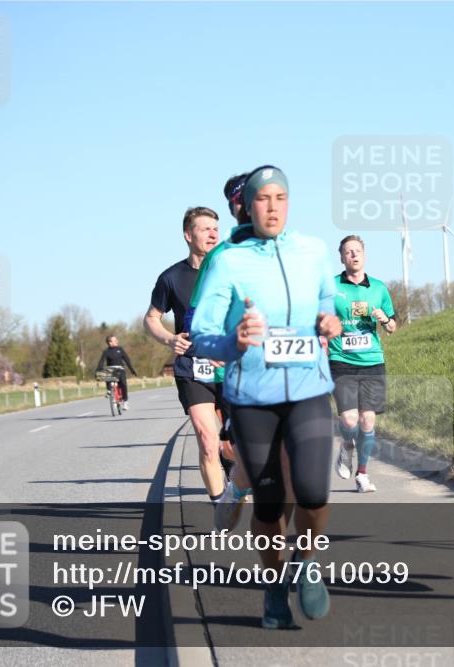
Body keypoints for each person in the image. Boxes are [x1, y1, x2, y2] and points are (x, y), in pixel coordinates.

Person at [190, 165, 343, 629]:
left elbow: (327, 299)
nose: (272, 206)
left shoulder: (313, 251)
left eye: (280, 197)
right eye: (263, 198)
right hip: (252, 397)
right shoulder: (228, 261)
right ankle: (274, 587)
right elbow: (201, 333)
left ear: (289, 203)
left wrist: (329, 321)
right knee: (271, 505)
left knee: (314, 493)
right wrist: (232, 341)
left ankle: (307, 563)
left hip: (309, 389)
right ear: (247, 205)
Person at [143, 205, 252, 530]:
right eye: (205, 229)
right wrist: (168, 339)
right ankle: (220, 506)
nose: (213, 234)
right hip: (193, 368)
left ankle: (236, 484)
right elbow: (150, 319)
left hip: (232, 369)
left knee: (236, 448)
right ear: (188, 235)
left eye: (216, 229)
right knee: (207, 438)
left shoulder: (234, 271)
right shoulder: (171, 278)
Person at [328, 235, 396, 492]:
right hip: (341, 360)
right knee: (349, 420)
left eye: (357, 251)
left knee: (368, 421)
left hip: (372, 361)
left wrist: (384, 320)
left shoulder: (378, 288)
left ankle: (363, 474)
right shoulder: (331, 286)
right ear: (342, 257)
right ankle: (346, 445)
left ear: (364, 255)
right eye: (348, 252)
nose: (354, 255)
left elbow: (392, 326)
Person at [95, 335, 137, 410]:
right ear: (110, 343)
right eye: (115, 340)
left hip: (120, 368)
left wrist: (132, 370)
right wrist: (98, 370)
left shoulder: (120, 349)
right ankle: (109, 391)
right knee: (105, 372)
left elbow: (127, 360)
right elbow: (101, 361)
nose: (117, 341)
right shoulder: (106, 351)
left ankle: (125, 401)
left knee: (123, 384)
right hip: (111, 369)